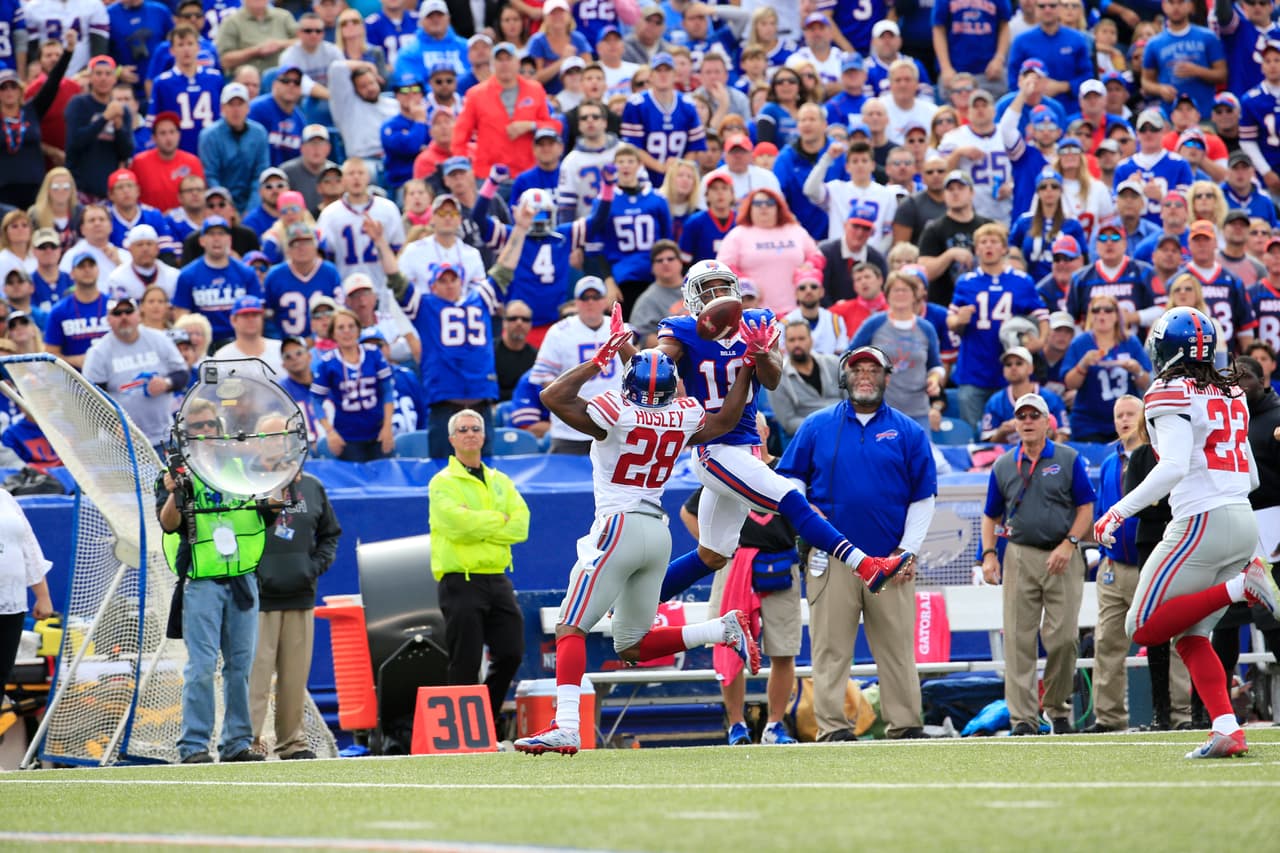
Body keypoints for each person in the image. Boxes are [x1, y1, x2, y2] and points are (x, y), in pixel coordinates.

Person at [515, 335, 762, 755]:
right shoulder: (682, 415)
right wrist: (747, 371)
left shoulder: (617, 411)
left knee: (570, 625)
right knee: (631, 643)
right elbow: (723, 422)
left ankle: (567, 724)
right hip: (657, 533)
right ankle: (721, 629)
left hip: (618, 526)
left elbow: (553, 396)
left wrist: (600, 358)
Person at [652, 261, 912, 602]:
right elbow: (659, 360)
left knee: (712, 555)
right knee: (791, 499)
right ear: (692, 298)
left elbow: (773, 379)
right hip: (714, 448)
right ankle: (866, 565)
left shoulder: (756, 321)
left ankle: (639, 602)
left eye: (722, 286)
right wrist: (643, 355)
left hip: (744, 447)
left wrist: (760, 352)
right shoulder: (681, 329)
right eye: (708, 289)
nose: (717, 295)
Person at [1095, 306, 1275, 758]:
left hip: (1202, 520)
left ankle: (1240, 586)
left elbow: (1173, 467)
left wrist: (1119, 510)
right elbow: (1251, 475)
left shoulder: (1168, 390)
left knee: (1142, 625)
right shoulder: (1231, 390)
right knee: (1190, 635)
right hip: (1240, 515)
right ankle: (1228, 727)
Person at [776, 345, 935, 741]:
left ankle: (906, 724)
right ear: (843, 376)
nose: (865, 375)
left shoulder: (909, 431)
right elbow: (788, 480)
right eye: (857, 368)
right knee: (831, 650)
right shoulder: (815, 426)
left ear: (886, 376)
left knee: (897, 650)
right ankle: (831, 727)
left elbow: (924, 496)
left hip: (889, 560)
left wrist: (906, 550)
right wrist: (806, 512)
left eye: (873, 369)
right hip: (833, 559)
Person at [157, 400, 278, 763]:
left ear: (220, 428)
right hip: (203, 579)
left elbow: (269, 512)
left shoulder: (244, 469)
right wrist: (178, 489)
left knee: (241, 666)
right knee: (201, 667)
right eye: (197, 425)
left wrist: (280, 481)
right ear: (185, 432)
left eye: (210, 424)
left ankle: (237, 742)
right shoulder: (176, 471)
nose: (205, 431)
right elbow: (168, 523)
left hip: (242, 577)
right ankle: (193, 745)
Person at [981, 392, 1096, 735]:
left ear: (1049, 422)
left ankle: (1057, 707)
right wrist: (988, 555)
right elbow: (990, 515)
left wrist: (1070, 543)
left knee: (1063, 638)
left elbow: (1086, 509)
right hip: (1019, 553)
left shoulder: (1068, 457)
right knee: (1017, 637)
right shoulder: (1003, 464)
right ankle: (1022, 719)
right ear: (1015, 423)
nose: (1028, 422)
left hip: (1063, 553)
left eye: (1035, 416)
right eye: (1022, 416)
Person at [429, 408, 529, 733]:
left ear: (484, 436)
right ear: (452, 439)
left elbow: (521, 525)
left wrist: (478, 521)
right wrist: (497, 519)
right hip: (460, 578)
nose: (470, 433)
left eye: (475, 428)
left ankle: (482, 718)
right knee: (465, 660)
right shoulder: (442, 482)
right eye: (463, 429)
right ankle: (462, 732)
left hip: (496, 576)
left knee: (511, 652)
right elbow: (457, 526)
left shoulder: (501, 480)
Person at [248, 416, 342, 760]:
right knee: (255, 678)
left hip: (301, 593)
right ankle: (249, 742)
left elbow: (330, 533)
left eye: (281, 436)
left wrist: (313, 568)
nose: (275, 442)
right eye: (268, 436)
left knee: (293, 679)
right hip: (258, 597)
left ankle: (292, 743)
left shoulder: (312, 486)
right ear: (257, 441)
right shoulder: (246, 482)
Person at [1122, 397, 1193, 731]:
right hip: (1152, 543)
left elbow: (1165, 498)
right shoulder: (1140, 456)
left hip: (1186, 538)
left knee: (1194, 622)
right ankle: (1160, 712)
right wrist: (1163, 497)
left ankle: (1197, 710)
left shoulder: (1189, 454)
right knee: (1153, 627)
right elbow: (1137, 502)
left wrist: (1156, 496)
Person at [1084, 395, 1145, 733]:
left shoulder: (1158, 458)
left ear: (1144, 418)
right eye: (1119, 415)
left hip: (1150, 562)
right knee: (1107, 640)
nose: (1123, 420)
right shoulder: (1109, 463)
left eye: (1130, 414)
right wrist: (1104, 554)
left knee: (1169, 639)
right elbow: (1101, 513)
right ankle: (1109, 717)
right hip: (1114, 566)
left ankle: (1177, 713)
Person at [948, 222, 1048, 430]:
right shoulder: (966, 282)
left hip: (1011, 371)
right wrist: (959, 321)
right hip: (974, 369)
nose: (988, 246)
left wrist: (1040, 341)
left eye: (994, 241)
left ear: (1004, 248)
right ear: (976, 249)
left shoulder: (1021, 281)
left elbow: (1042, 315)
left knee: (1013, 431)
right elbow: (951, 321)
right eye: (983, 242)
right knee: (974, 434)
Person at [529, 277, 626, 455]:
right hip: (570, 427)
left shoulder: (623, 329)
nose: (590, 302)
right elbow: (544, 378)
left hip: (614, 425)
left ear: (604, 301)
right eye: (585, 298)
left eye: (596, 297)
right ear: (576, 302)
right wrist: (572, 404)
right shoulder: (559, 331)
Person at [82, 295, 188, 452]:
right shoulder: (99, 352)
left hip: (163, 437)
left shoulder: (159, 339)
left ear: (138, 314)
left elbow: (182, 375)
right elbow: (90, 401)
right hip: (121, 444)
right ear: (108, 319)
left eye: (128, 311)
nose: (124, 317)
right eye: (117, 313)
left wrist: (166, 383)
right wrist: (113, 425)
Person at [452, 41, 557, 181]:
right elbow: (460, 136)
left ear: (518, 62)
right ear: (492, 64)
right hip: (488, 175)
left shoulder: (535, 90)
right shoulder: (475, 94)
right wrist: (464, 170)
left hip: (526, 173)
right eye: (499, 59)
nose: (504, 64)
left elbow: (553, 127)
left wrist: (529, 126)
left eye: (508, 59)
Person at [1062, 294, 1152, 442]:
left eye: (1108, 310)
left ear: (1117, 315)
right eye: (1096, 310)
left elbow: (1146, 382)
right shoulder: (1080, 343)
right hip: (1089, 422)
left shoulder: (1130, 341)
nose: (1102, 314)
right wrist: (1083, 365)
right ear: (1090, 315)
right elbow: (1069, 383)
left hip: (1126, 419)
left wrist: (1137, 370)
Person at [310, 307, 395, 462]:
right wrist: (330, 432)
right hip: (347, 437)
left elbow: (387, 390)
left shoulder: (373, 353)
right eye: (341, 328)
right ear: (333, 333)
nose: (346, 331)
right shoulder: (327, 363)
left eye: (351, 326)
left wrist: (388, 426)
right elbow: (316, 400)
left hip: (378, 432)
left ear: (358, 329)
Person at [620, 52, 707, 177]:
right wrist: (662, 168)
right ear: (650, 76)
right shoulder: (636, 104)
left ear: (674, 74)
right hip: (645, 177)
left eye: (667, 70)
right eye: (658, 70)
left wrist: (679, 168)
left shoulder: (687, 104)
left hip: (678, 179)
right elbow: (633, 147)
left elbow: (695, 146)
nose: (663, 75)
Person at [198, 84, 270, 214]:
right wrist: (227, 208)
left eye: (240, 104)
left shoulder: (259, 133)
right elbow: (210, 176)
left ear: (248, 107)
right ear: (222, 108)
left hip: (252, 204)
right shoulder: (209, 136)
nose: (236, 110)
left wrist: (251, 209)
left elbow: (260, 175)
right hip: (218, 205)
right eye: (231, 104)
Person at [770, 319, 843, 437]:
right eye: (792, 340)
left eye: (801, 339)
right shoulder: (778, 377)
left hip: (845, 425)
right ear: (785, 344)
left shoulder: (834, 363)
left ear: (811, 340)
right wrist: (821, 426)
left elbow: (851, 400)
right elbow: (788, 422)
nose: (797, 344)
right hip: (810, 435)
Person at [45, 250, 111, 368]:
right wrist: (76, 360)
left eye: (91, 265)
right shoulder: (59, 311)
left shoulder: (113, 305)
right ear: (72, 273)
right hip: (75, 379)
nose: (87, 270)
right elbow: (50, 354)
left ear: (98, 270)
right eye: (81, 266)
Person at [214, 295, 284, 375]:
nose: (251, 319)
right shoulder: (222, 357)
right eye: (245, 315)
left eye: (255, 315)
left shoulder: (279, 349)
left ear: (262, 318)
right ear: (233, 320)